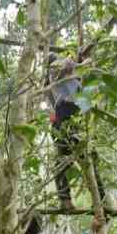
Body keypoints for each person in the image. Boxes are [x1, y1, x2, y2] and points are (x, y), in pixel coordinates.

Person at [48, 53, 105, 212]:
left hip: (75, 117)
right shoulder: (55, 71)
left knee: (88, 158)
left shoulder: (72, 80)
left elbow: (87, 91)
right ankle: (66, 199)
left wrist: (87, 65)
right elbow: (65, 66)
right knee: (64, 161)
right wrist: (83, 62)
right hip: (65, 117)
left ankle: (100, 199)